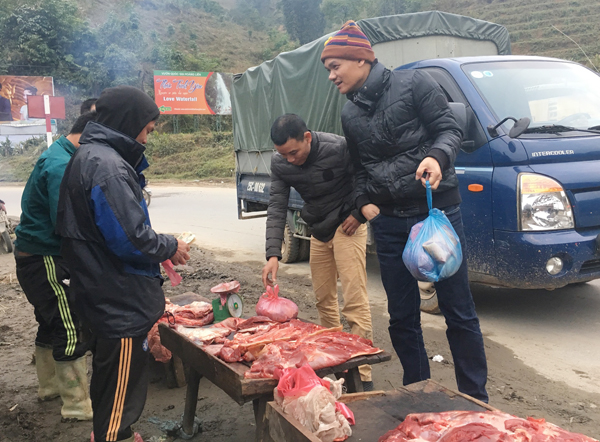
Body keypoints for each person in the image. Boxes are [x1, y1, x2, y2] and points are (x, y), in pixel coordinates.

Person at [321, 21, 489, 402]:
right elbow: (359, 167)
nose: (331, 76)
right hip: (391, 221)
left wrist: (436, 156)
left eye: (335, 66)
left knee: (457, 309)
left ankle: (475, 398)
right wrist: (364, 204)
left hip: (436, 214)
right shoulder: (350, 114)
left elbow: (450, 129)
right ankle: (419, 391)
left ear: (362, 59)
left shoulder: (415, 85)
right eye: (327, 69)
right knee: (402, 316)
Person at [56, 85, 191, 442]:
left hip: (101, 291)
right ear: (129, 122)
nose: (147, 139)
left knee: (110, 380)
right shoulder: (108, 167)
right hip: (117, 299)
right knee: (121, 387)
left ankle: (116, 430)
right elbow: (132, 239)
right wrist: (170, 244)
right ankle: (113, 433)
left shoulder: (91, 156)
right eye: (147, 130)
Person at [262, 114, 375, 390]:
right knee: (324, 299)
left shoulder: (338, 149)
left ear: (308, 138)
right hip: (319, 229)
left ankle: (363, 374)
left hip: (348, 225)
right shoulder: (281, 163)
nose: (289, 159)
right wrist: (272, 255)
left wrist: (359, 214)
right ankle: (334, 365)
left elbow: (366, 178)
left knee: (353, 301)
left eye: (294, 152)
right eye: (282, 154)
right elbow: (277, 206)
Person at [14, 112, 97, 421]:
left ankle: (49, 388)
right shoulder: (62, 165)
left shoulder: (61, 153)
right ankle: (76, 406)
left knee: (50, 322)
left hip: (32, 255)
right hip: (43, 258)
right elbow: (68, 223)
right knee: (70, 326)